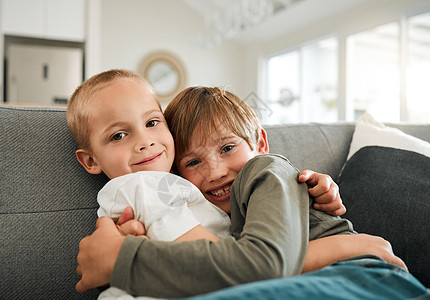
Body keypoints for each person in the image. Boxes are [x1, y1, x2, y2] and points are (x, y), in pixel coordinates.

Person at [68, 70, 352, 295]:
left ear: (261, 142)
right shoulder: (149, 185)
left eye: (152, 123)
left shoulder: (258, 174)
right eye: (118, 135)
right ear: (91, 160)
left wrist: (308, 189)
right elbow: (239, 270)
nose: (145, 142)